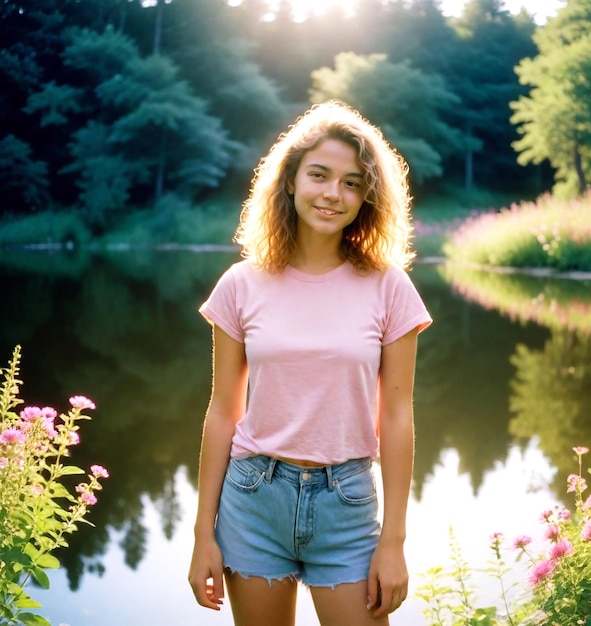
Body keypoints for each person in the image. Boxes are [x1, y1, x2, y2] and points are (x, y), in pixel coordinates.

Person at [188, 100, 432, 626]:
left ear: (367, 197)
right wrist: (202, 533)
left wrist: (394, 541)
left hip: (346, 503)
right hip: (252, 497)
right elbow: (221, 412)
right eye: (319, 175)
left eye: (351, 182)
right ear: (291, 181)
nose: (333, 194)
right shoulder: (240, 285)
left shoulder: (391, 287)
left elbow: (397, 417)